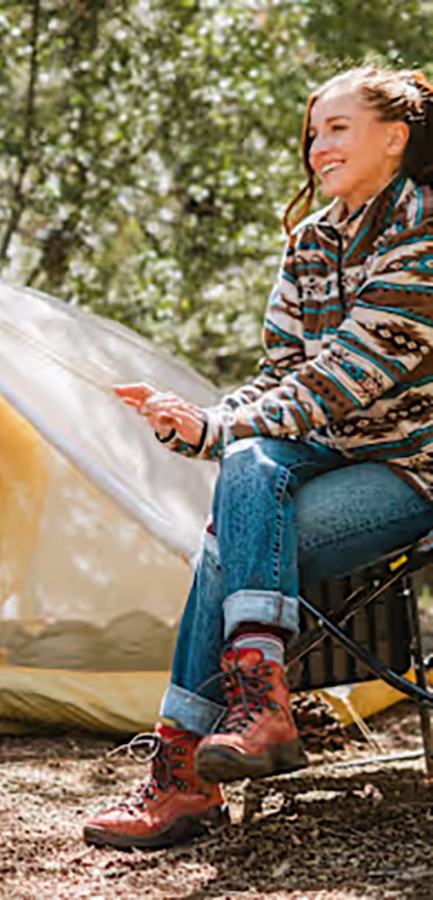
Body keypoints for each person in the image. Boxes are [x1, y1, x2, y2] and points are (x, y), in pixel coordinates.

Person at [83, 65, 433, 850]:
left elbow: (341, 378)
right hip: (323, 452)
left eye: (338, 128)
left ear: (394, 138)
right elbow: (281, 377)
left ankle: (185, 772)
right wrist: (195, 422)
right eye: (313, 134)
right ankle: (258, 705)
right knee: (248, 469)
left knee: (227, 546)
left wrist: (215, 428)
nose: (318, 148)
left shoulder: (424, 240)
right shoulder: (310, 243)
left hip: (412, 467)